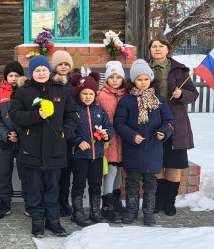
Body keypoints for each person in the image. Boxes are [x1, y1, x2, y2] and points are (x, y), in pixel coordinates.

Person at [8, 55, 77, 238]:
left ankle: (53, 221)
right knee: (34, 189)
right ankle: (37, 222)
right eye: (37, 70)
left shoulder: (60, 90)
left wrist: (65, 133)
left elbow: (72, 115)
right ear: (32, 73)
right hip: (31, 150)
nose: (41, 73)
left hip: (55, 148)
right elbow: (14, 115)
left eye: (44, 70)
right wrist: (36, 115)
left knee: (53, 188)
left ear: (49, 71)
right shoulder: (24, 91)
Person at [114, 60, 175, 226]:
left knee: (150, 184)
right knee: (132, 183)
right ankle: (131, 210)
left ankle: (148, 212)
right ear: (134, 81)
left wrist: (165, 131)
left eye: (145, 79)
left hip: (153, 149)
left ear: (150, 80)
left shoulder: (159, 101)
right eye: (139, 80)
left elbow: (169, 121)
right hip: (133, 149)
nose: (143, 83)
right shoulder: (127, 101)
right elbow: (119, 123)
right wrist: (131, 135)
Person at [148, 33, 199, 216]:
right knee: (157, 164)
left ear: (168, 49)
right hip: (152, 123)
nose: (157, 49)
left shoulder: (179, 70)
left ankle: (170, 202)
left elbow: (193, 94)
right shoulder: (144, 68)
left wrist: (181, 95)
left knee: (173, 164)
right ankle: (158, 200)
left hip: (176, 123)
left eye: (161, 46)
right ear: (150, 50)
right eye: (154, 46)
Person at [68, 71, 114, 226]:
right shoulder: (74, 111)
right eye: (84, 93)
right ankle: (78, 212)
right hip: (80, 155)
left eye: (90, 93)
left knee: (95, 184)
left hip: (97, 155)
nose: (87, 96)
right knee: (79, 183)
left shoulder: (100, 111)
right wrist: (78, 141)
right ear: (79, 94)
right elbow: (68, 130)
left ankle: (95, 211)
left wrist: (106, 134)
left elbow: (109, 127)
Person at [0, 61, 26, 220]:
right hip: (5, 140)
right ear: (5, 77)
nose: (13, 78)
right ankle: (4, 203)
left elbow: (30, 115)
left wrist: (20, 134)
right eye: (10, 75)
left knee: (26, 173)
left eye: (16, 76)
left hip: (24, 139)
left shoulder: (26, 91)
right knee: (4, 173)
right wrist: (6, 134)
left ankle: (30, 203)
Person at [96, 61, 128, 222]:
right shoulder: (101, 95)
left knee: (119, 172)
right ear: (106, 78)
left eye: (118, 77)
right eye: (111, 77)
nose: (115, 80)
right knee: (110, 171)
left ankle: (117, 201)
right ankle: (106, 204)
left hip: (123, 139)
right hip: (108, 140)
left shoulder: (126, 95)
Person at [51, 50, 76, 217]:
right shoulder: (50, 83)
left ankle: (64, 200)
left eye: (66, 64)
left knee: (67, 170)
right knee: (56, 170)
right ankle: (54, 201)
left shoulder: (75, 84)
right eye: (60, 64)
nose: (64, 67)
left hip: (71, 131)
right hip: (55, 132)